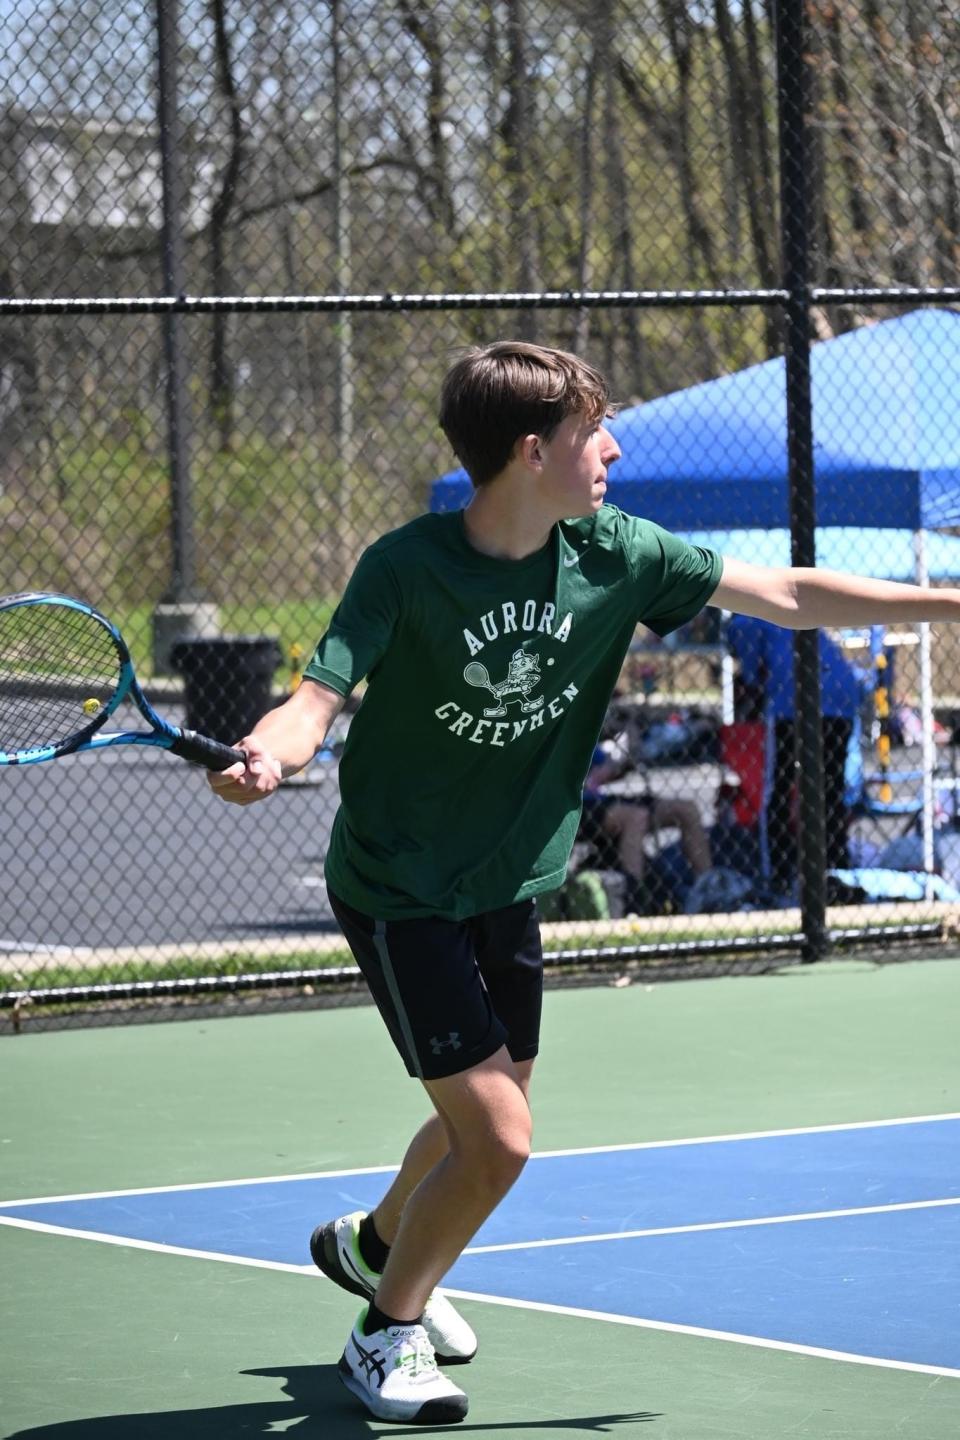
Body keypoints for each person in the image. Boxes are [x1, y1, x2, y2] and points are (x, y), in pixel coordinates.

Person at [208, 340, 960, 1424]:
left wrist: (944, 607)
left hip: (512, 881)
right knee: (502, 1140)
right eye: (590, 434)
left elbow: (786, 591)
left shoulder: (617, 554)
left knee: (491, 1109)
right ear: (530, 453)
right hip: (400, 888)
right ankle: (388, 1329)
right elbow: (317, 696)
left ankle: (373, 1246)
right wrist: (272, 753)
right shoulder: (407, 567)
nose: (609, 450)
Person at [727, 614, 865, 894]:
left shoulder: (741, 622)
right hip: (839, 698)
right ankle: (835, 867)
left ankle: (777, 875)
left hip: (793, 703)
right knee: (830, 789)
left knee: (779, 787)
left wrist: (753, 681)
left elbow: (751, 673)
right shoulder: (779, 610)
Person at [579, 742, 712, 913]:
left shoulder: (592, 730)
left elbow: (609, 769)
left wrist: (631, 739)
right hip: (577, 807)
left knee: (686, 810)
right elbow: (597, 776)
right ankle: (634, 900)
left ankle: (709, 889)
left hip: (603, 801)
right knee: (636, 817)